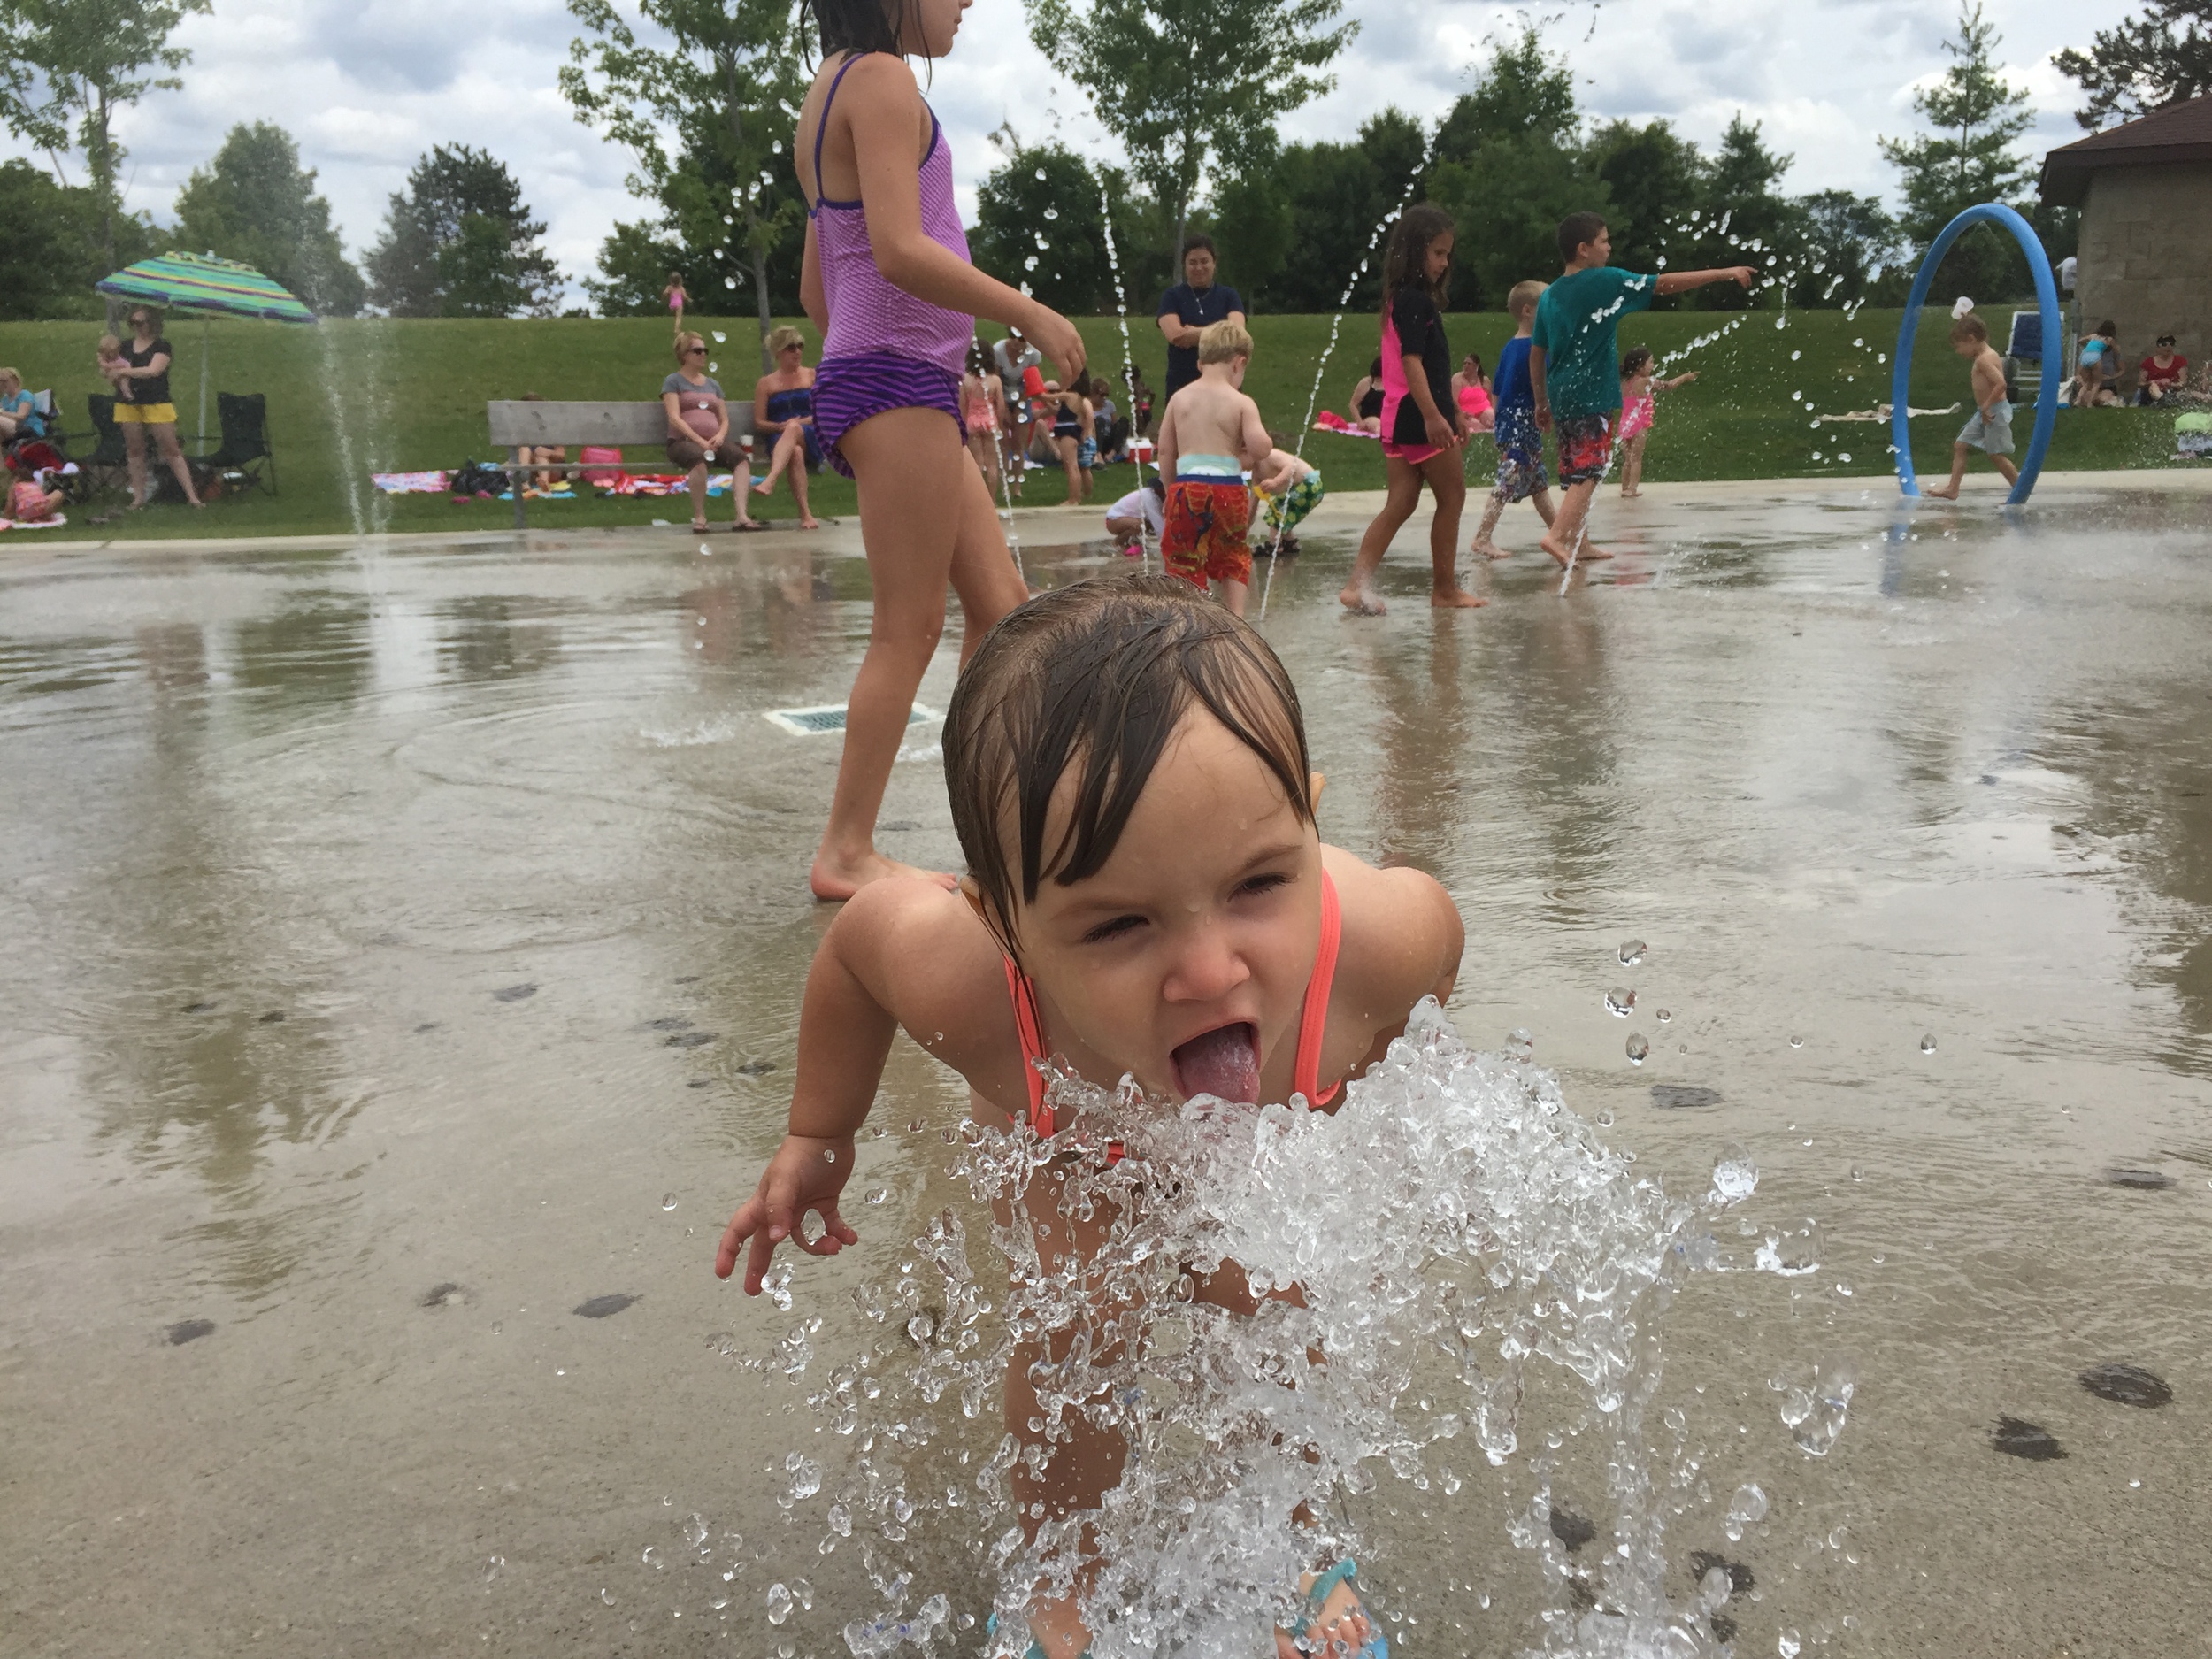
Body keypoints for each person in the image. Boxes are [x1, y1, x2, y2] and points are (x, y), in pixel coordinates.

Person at [714, 574, 1458, 1659]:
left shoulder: (1375, 948)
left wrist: (1371, 1101)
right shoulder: (964, 980)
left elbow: (1441, 954)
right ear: (1001, 919)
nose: (1209, 971)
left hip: (1277, 1105)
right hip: (1060, 1131)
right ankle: (1060, 1577)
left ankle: (1300, 1553)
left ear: (1309, 817)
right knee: (1080, 1324)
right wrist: (818, 1133)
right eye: (1117, 926)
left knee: (1278, 1310)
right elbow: (855, 948)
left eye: (1259, 882)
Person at [793, 0, 1082, 900]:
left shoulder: (829, 87)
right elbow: (896, 248)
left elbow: (818, 284)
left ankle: (993, 828)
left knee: (1001, 612)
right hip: (894, 382)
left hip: (893, 378)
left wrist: (897, 354)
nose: (967, 3)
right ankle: (845, 850)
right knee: (908, 627)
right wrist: (1023, 311)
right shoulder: (880, 80)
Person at [1532, 212, 1752, 570]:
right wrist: (1723, 273)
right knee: (1592, 469)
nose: (1609, 247)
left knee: (1575, 469)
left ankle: (1578, 542)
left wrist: (1541, 399)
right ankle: (1557, 536)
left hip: (1562, 392)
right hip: (1591, 393)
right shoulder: (1605, 280)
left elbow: (1537, 352)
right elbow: (1664, 283)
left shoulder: (1550, 294)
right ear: (1584, 249)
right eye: (1604, 240)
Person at [1338, 204, 1483, 615]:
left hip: (1397, 417)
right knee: (1452, 496)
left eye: (1448, 254)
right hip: (1419, 420)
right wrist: (1435, 417)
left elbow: (1431, 371)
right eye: (1438, 253)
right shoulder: (1415, 301)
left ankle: (1356, 585)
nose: (1444, 262)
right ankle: (1445, 589)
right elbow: (1412, 364)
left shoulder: (1398, 300)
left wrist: (1451, 409)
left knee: (1401, 501)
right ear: (1414, 251)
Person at [1156, 319, 1271, 616]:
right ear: (1239, 363)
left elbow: (1166, 451)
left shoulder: (1179, 399)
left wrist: (1172, 493)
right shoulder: (1242, 402)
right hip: (1229, 491)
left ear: (1199, 363)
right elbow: (1259, 448)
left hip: (1187, 487)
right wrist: (1264, 444)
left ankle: (1191, 621)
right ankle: (1235, 620)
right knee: (1233, 554)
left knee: (1184, 557)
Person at [1468, 281, 1555, 561]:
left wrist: (1500, 424)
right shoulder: (1535, 349)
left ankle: (1559, 534)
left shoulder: (1509, 347)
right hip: (1521, 424)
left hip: (1511, 422)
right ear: (1529, 311)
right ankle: (1482, 537)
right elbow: (1543, 386)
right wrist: (1548, 412)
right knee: (1509, 477)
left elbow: (1496, 390)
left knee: (1538, 483)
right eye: (1548, 307)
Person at [104, 305, 202, 510]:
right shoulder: (125, 346)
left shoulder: (161, 346)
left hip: (157, 401)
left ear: (152, 323)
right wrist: (112, 373)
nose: (137, 327)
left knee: (171, 448)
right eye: (133, 323)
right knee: (135, 449)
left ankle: (192, 496)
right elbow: (112, 367)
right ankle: (138, 497)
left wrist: (125, 373)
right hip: (128, 403)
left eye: (141, 322)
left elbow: (153, 371)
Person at [664, 332, 759, 534]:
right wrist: (699, 440)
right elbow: (674, 417)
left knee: (741, 459)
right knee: (698, 458)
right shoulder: (673, 381)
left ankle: (742, 516)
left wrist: (720, 436)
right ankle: (700, 517)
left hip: (714, 440)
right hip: (683, 441)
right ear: (684, 355)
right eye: (697, 351)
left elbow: (724, 419)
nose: (703, 355)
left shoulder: (713, 384)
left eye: (704, 350)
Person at [1924, 311, 2018, 499]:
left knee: (1995, 454)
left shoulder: (1984, 359)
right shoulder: (1986, 355)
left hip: (1993, 411)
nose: (1958, 352)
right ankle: (1953, 489)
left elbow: (2001, 384)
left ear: (1971, 339)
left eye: (1959, 347)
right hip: (1984, 411)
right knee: (1960, 445)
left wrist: (1986, 406)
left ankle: (2020, 488)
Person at [1155, 234, 1246, 403]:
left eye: (1204, 261)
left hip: (1226, 388)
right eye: (1193, 262)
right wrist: (1221, 333)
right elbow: (1176, 335)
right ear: (1185, 265)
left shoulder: (1229, 296)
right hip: (1183, 387)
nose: (1199, 267)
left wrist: (1194, 333)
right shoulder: (1172, 297)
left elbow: (1237, 333)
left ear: (1214, 263)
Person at [753, 325, 823, 529]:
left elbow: (821, 413)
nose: (798, 352)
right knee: (796, 452)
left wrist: (796, 424)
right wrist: (779, 426)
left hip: (811, 433)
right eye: (791, 347)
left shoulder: (811, 376)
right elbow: (759, 422)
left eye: (800, 346)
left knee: (794, 430)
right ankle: (806, 515)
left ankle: (770, 480)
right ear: (778, 352)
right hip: (779, 438)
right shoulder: (766, 384)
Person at [1614, 347, 1697, 498]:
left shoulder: (1625, 382)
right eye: (1650, 362)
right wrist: (1685, 377)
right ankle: (1632, 489)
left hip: (1625, 424)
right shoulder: (1646, 381)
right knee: (1637, 458)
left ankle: (1625, 487)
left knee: (1628, 460)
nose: (1653, 365)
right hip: (1639, 424)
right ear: (1640, 366)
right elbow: (1668, 386)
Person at [1253, 444, 1324, 557]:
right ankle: (1289, 542)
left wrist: (1275, 482)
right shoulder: (1256, 474)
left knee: (1277, 508)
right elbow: (1254, 500)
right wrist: (1243, 528)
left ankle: (1274, 546)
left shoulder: (1270, 456)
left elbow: (1291, 467)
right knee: (1285, 512)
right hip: (1306, 488)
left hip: (1309, 485)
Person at [993, 324, 1043, 479]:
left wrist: (1019, 409)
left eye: (1020, 338)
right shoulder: (999, 350)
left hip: (1022, 394)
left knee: (1019, 445)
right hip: (1001, 395)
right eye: (1013, 337)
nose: (1016, 342)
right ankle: (1003, 481)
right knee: (1002, 444)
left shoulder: (1033, 354)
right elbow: (996, 381)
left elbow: (1030, 383)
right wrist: (1005, 410)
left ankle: (1017, 485)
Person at [961, 336, 1006, 498]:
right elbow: (1000, 407)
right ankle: (992, 501)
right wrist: (999, 425)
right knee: (992, 465)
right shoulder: (995, 380)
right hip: (990, 421)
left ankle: (977, 500)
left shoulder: (965, 379)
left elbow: (962, 407)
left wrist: (964, 427)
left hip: (972, 421)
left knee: (977, 464)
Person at [1047, 378, 1094, 505]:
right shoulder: (1078, 399)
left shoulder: (1069, 395)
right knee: (1075, 467)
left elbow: (1046, 396)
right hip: (1072, 432)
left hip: (1068, 433)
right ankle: (1080, 496)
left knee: (1071, 466)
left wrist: (1035, 389)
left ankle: (1073, 499)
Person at [1102, 472, 1164, 554]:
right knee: (1139, 525)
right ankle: (1119, 542)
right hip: (1113, 520)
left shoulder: (1157, 498)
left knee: (1146, 524)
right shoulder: (1149, 497)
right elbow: (1159, 524)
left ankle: (1134, 541)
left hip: (1126, 518)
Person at [5, 457, 66, 525]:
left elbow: (10, 506)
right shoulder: (36, 485)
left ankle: (35, 517)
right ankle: (43, 516)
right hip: (41, 508)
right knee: (59, 493)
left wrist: (7, 517)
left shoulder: (15, 486)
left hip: (26, 513)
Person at [2073, 320, 2120, 406]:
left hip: (2085, 355)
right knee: (2097, 382)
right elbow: (2116, 351)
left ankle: (2077, 400)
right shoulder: (2109, 339)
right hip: (2095, 356)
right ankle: (2090, 403)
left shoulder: (2093, 336)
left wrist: (2087, 345)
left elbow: (2080, 340)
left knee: (2086, 382)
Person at [2136, 334, 2188, 404]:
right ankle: (2162, 399)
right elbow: (2140, 383)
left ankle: (2166, 400)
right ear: (2158, 347)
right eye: (2164, 344)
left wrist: (2170, 384)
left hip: (2172, 390)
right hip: (2151, 392)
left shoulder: (2179, 361)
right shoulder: (2148, 362)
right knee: (2154, 386)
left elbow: (2183, 382)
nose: (2168, 347)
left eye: (2171, 344)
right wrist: (2151, 382)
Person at [0, 365, 45, 442]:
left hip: (30, 429)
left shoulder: (25, 395)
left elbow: (21, 417)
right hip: (14, 429)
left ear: (15, 381)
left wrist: (2, 413)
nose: (2, 384)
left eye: (5, 381)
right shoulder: (4, 400)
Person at [1452, 352, 1494, 434]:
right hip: (1466, 413)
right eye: (1465, 363)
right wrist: (1461, 414)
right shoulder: (1457, 379)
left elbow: (1491, 399)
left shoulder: (1484, 380)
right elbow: (1453, 400)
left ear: (1476, 366)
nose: (1466, 366)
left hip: (1483, 410)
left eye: (1469, 364)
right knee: (1478, 427)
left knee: (1491, 420)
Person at [1346, 357, 1386, 435]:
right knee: (1377, 424)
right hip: (1370, 417)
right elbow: (1353, 404)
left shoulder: (1392, 383)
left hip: (1387, 416)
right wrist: (1360, 422)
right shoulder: (1366, 383)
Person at [664, 272, 691, 338]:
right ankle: (677, 330)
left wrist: (667, 295)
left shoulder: (669, 287)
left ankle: (677, 329)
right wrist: (689, 299)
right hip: (679, 304)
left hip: (672, 304)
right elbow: (685, 296)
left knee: (675, 317)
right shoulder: (681, 288)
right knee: (678, 318)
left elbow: (665, 293)